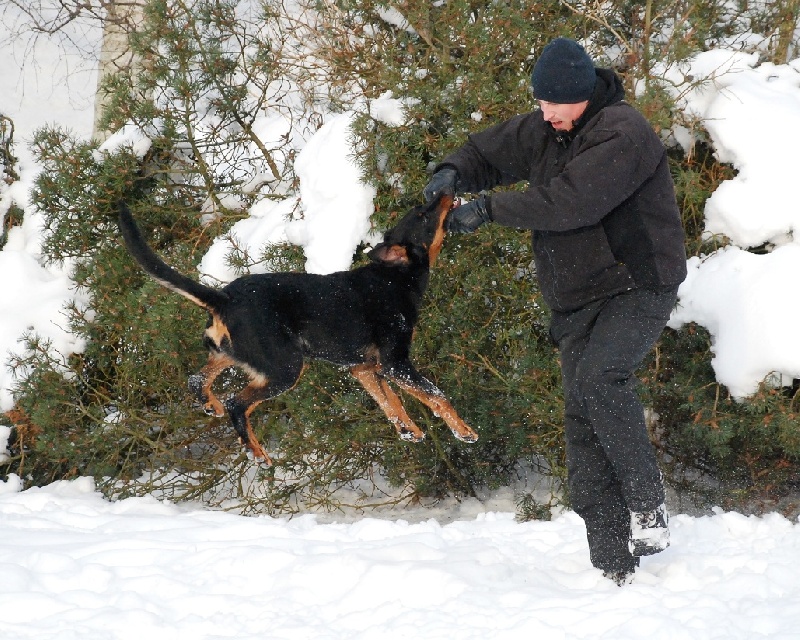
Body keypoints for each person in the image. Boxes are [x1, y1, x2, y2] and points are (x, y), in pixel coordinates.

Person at [424, 37, 687, 585]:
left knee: (601, 379)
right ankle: (613, 566)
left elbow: (573, 201)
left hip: (637, 283)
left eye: (554, 103)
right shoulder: (549, 126)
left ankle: (648, 507)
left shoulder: (622, 132)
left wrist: (488, 209)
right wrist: (453, 172)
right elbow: (487, 152)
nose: (545, 113)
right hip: (576, 296)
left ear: (583, 94)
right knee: (581, 419)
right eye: (540, 102)